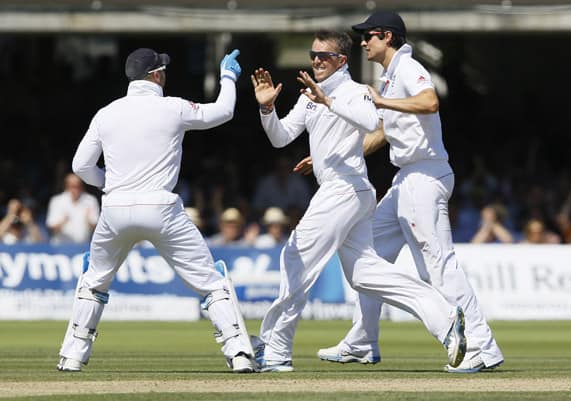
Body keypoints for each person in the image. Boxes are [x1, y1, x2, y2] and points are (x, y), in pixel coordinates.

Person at [295, 12, 503, 374]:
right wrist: (331, 154)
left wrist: (381, 103)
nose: (363, 42)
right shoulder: (389, 77)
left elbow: (430, 102)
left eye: (368, 36)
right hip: (404, 180)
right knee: (369, 254)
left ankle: (482, 349)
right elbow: (381, 135)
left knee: (438, 267)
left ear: (387, 36)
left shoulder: (407, 67)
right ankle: (362, 342)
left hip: (424, 176)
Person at [250, 30, 466, 373]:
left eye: (324, 56)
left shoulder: (354, 91)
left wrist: (328, 101)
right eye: (313, 55)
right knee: (366, 274)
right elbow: (281, 138)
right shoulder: (310, 95)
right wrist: (267, 109)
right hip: (347, 193)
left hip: (345, 189)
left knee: (296, 257)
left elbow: (369, 122)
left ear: (341, 61)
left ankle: (275, 351)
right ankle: (444, 318)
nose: (316, 61)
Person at [56, 47, 255, 373]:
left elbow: (80, 165)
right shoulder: (173, 107)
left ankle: (73, 356)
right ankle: (239, 354)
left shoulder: (106, 112)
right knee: (211, 281)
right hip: (161, 207)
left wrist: (109, 183)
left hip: (115, 208)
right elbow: (223, 112)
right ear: (156, 75)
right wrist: (228, 77)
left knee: (93, 281)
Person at [46, 173, 100, 244]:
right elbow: (51, 227)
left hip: (84, 245)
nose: (76, 189)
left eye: (78, 186)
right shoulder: (57, 200)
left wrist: (89, 220)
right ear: (66, 186)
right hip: (60, 246)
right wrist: (63, 221)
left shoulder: (90, 200)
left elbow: (98, 228)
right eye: (72, 186)